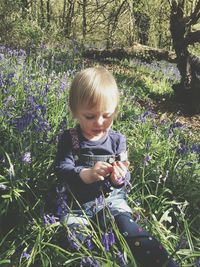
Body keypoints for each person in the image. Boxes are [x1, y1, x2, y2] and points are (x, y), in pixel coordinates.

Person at [55, 66, 179, 267]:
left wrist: (120, 177)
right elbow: (61, 169)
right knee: (74, 242)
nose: (99, 122)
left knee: (130, 230)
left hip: (111, 203)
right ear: (74, 110)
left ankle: (163, 262)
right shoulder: (70, 139)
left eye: (106, 115)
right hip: (75, 206)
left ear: (115, 111)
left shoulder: (117, 141)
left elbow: (124, 177)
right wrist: (85, 174)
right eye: (90, 116)